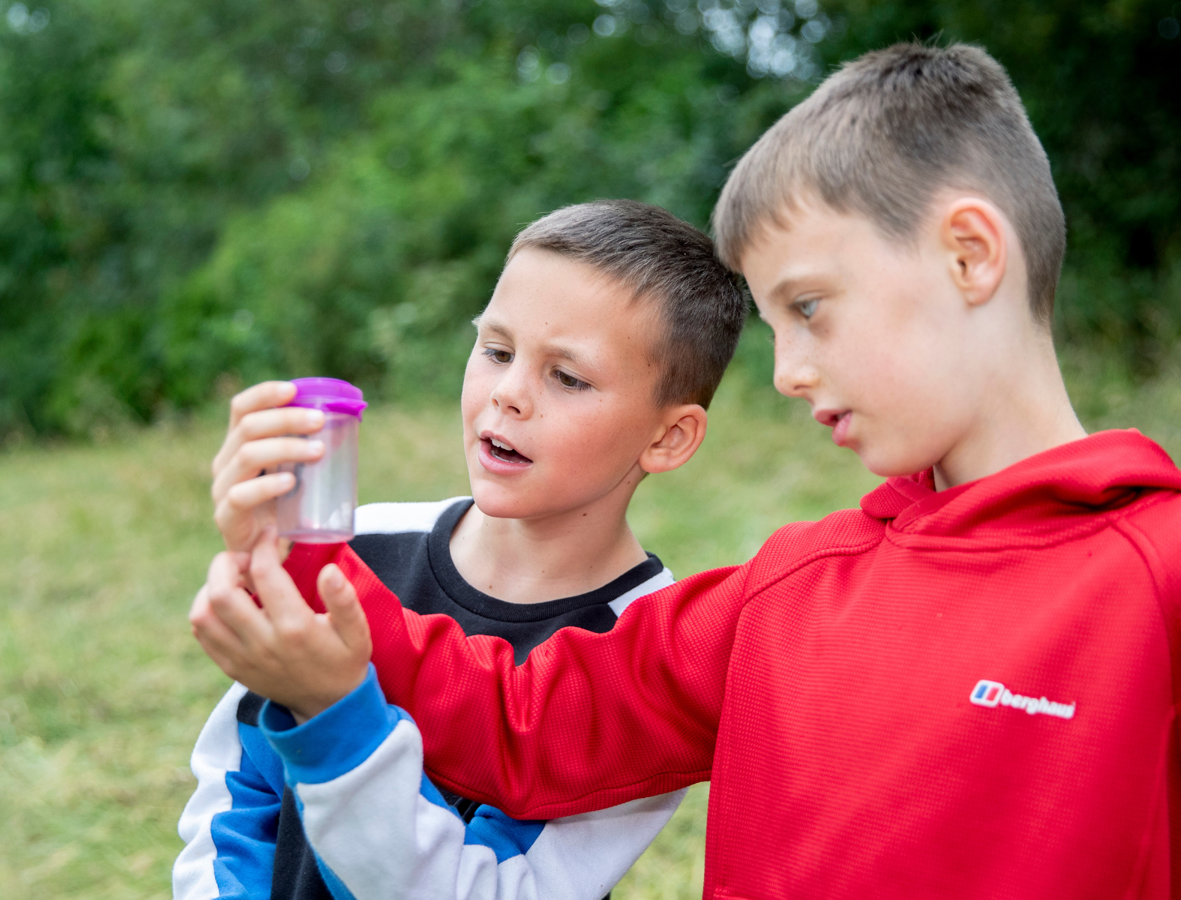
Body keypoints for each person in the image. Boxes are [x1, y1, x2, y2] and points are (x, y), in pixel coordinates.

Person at [196, 43, 1181, 899]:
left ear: (970, 256)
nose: (789, 373)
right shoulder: (784, 595)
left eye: (808, 308)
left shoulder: (1158, 578)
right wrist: (304, 551)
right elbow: (523, 722)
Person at [175, 200, 747, 900]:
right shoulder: (360, 543)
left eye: (566, 377)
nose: (507, 394)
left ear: (668, 437)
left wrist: (333, 712)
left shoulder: (646, 656)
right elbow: (237, 782)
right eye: (497, 350)